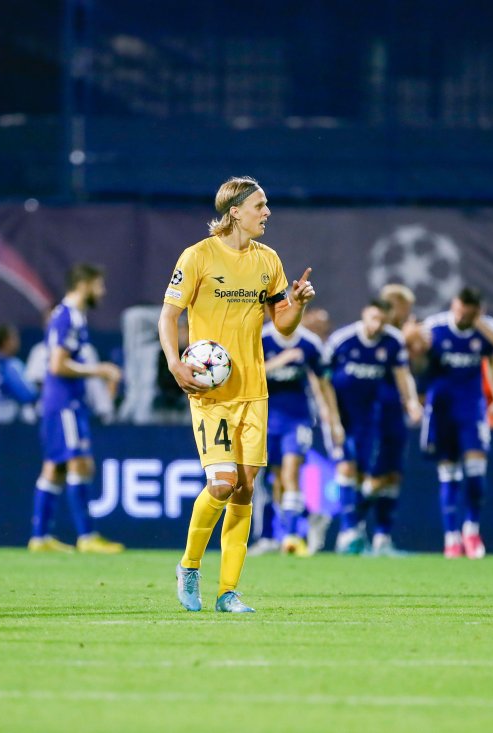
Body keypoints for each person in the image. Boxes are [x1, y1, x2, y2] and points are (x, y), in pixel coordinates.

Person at [162, 175, 315, 613]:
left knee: (246, 489)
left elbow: (282, 325)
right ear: (235, 212)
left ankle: (228, 591)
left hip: (254, 391)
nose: (267, 212)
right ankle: (189, 566)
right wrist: (174, 362)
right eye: (259, 206)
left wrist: (297, 304)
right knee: (222, 484)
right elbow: (168, 316)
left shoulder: (268, 260)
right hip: (211, 393)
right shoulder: (197, 256)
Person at [28, 263, 125, 553]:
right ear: (84, 284)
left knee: (55, 467)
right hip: (64, 403)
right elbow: (57, 365)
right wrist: (99, 370)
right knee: (80, 463)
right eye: (99, 285)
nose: (102, 292)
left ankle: (40, 537)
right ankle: (87, 536)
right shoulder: (69, 316)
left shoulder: (69, 315)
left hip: (61, 402)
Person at [326, 299, 421, 555]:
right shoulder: (341, 341)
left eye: (382, 320)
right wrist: (330, 417)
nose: (377, 325)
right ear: (364, 315)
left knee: (369, 475)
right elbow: (323, 379)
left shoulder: (392, 341)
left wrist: (411, 402)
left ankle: (361, 533)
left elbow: (402, 374)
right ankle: (348, 532)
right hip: (342, 417)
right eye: (373, 318)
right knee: (347, 468)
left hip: (371, 419)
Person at [420, 288, 493, 558]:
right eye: (458, 309)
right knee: (449, 473)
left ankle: (471, 530)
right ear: (454, 305)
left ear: (477, 311)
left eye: (468, 313)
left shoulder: (486, 328)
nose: (461, 316)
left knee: (477, 469)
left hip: (472, 408)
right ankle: (451, 538)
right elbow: (417, 359)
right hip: (441, 410)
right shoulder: (434, 327)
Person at [258, 310, 334, 556]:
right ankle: (310, 517)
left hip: (298, 419)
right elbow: (248, 375)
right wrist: (279, 361)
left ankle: (290, 537)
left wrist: (329, 415)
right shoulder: (261, 338)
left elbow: (322, 381)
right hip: (266, 418)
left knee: (291, 472)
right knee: (277, 479)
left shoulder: (309, 343)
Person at [363, 283, 423, 552]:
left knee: (394, 474)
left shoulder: (400, 338)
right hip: (372, 413)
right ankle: (350, 526)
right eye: (405, 308)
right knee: (371, 474)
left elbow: (412, 370)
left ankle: (382, 536)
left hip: (395, 412)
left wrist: (417, 348)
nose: (408, 314)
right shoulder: (372, 334)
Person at [0, 323, 39, 424]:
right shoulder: (11, 364)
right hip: (5, 417)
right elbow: (28, 394)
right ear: (6, 342)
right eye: (14, 338)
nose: (18, 341)